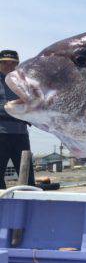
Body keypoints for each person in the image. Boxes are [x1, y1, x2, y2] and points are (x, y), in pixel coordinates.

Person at [0, 50, 35, 189]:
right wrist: (15, 110)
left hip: (21, 136)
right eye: (4, 63)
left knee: (27, 179)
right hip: (1, 135)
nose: (9, 65)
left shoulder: (24, 83)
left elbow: (33, 103)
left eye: (13, 63)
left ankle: (30, 207)